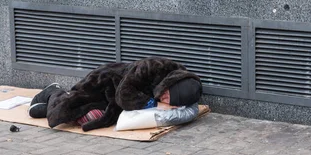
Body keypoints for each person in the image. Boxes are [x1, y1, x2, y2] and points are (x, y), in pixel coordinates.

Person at [28, 57, 203, 132]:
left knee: (88, 115)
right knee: (61, 113)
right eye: (165, 94)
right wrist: (157, 105)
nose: (163, 99)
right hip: (102, 81)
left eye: (167, 100)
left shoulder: (183, 84)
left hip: (114, 100)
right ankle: (53, 92)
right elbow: (124, 96)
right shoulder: (154, 66)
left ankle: (57, 100)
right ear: (169, 84)